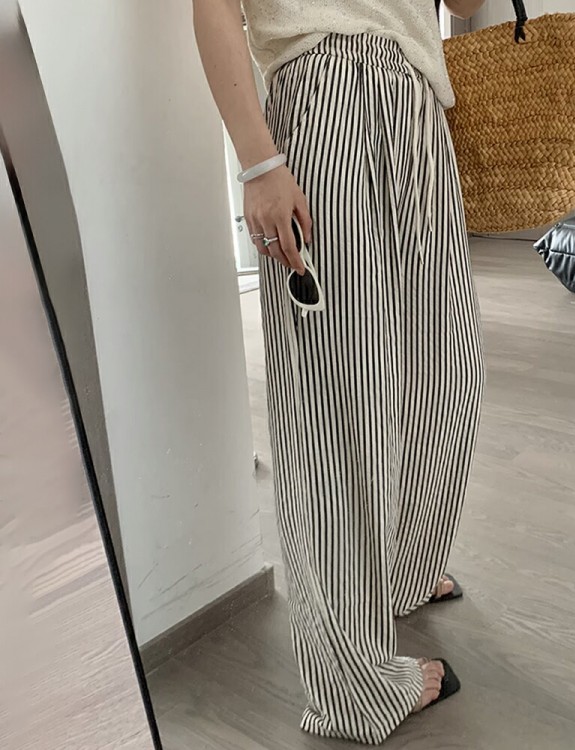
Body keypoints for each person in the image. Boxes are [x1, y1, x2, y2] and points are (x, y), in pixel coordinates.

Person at [192, 0, 486, 744]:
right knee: (338, 409)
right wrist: (260, 162)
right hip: (325, 99)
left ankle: (401, 568)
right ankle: (352, 685)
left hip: (418, 103)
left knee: (446, 375)